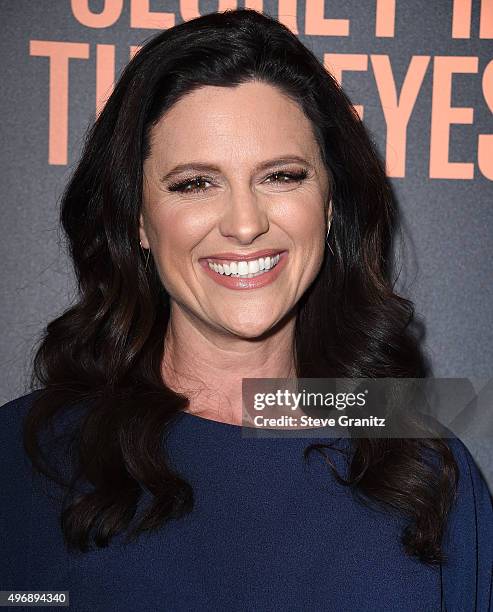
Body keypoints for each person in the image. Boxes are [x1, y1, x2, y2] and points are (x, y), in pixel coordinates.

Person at [1, 8, 491, 612]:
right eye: (195, 183)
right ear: (137, 222)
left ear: (330, 203)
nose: (245, 224)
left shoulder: (423, 467)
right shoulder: (22, 463)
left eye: (281, 176)